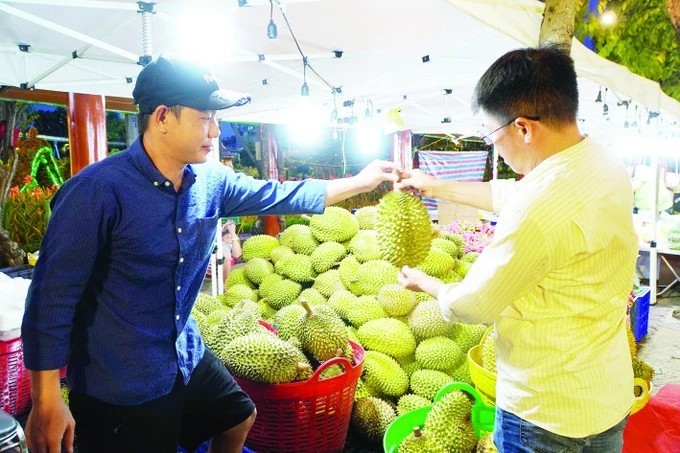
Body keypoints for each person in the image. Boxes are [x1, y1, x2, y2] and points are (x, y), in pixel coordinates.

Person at [21, 55, 399, 453]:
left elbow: (279, 194)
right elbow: (51, 298)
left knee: (237, 415)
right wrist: (46, 399)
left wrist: (362, 181)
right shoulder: (97, 191)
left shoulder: (210, 181)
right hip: (120, 379)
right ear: (163, 117)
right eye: (205, 118)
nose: (216, 131)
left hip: (183, 353)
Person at [397, 45, 637, 452]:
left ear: (523, 128)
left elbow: (473, 305)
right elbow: (519, 193)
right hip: (607, 397)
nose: (497, 148)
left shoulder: (538, 208)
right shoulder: (604, 164)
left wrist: (429, 284)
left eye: (494, 136)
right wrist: (433, 185)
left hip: (545, 414)